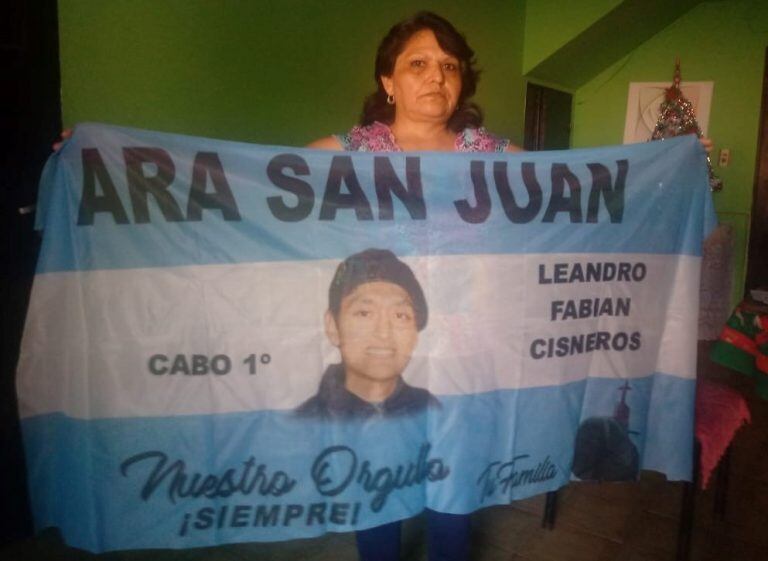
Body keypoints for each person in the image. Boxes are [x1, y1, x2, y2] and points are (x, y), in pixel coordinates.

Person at [296, 248, 438, 419]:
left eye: (400, 315)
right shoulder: (303, 421)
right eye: (365, 313)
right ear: (333, 325)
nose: (384, 333)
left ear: (415, 334)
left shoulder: (434, 412)